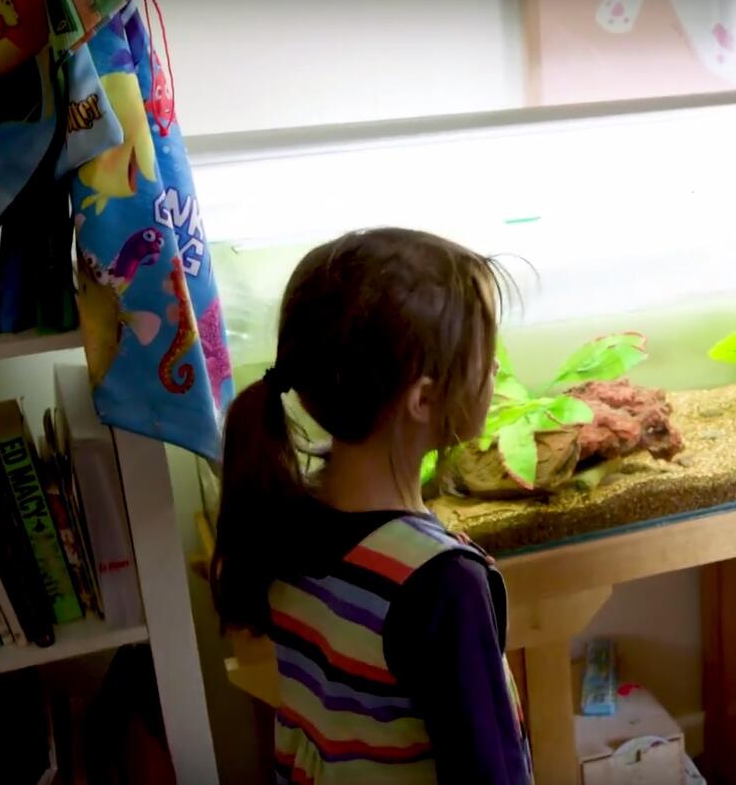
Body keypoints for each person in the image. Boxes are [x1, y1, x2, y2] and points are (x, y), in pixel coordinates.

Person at [209, 228, 533, 784]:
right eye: (485, 354)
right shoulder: (441, 584)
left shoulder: (286, 513)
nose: (496, 371)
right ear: (424, 398)